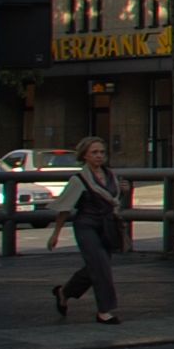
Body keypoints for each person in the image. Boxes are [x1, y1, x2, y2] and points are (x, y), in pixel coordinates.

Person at [46, 138, 125, 325]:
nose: (99, 156)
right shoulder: (79, 179)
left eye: (102, 152)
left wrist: (125, 191)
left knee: (95, 267)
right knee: (101, 266)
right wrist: (55, 234)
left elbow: (113, 200)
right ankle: (105, 311)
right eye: (94, 152)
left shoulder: (111, 176)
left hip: (106, 226)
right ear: (85, 156)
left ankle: (64, 292)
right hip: (86, 225)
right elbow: (64, 208)